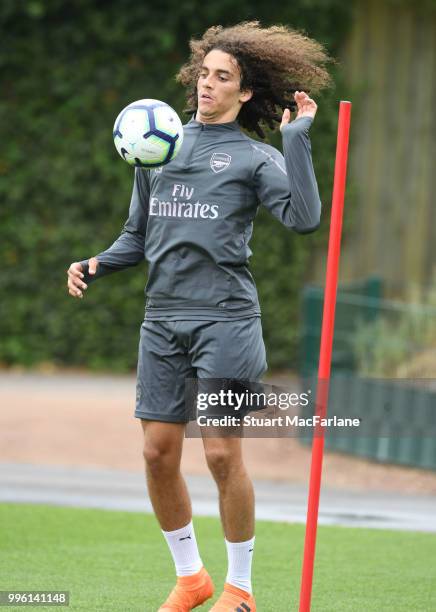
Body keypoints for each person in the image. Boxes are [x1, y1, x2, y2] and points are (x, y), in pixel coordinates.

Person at [67, 21, 332, 612]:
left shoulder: (255, 157)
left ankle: (240, 589)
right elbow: (137, 238)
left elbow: (304, 217)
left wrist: (297, 140)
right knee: (158, 453)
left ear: (244, 94)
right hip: (162, 321)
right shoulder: (156, 147)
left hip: (228, 322)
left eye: (223, 78)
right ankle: (192, 579)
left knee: (219, 453)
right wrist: (96, 263)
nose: (208, 86)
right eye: (204, 75)